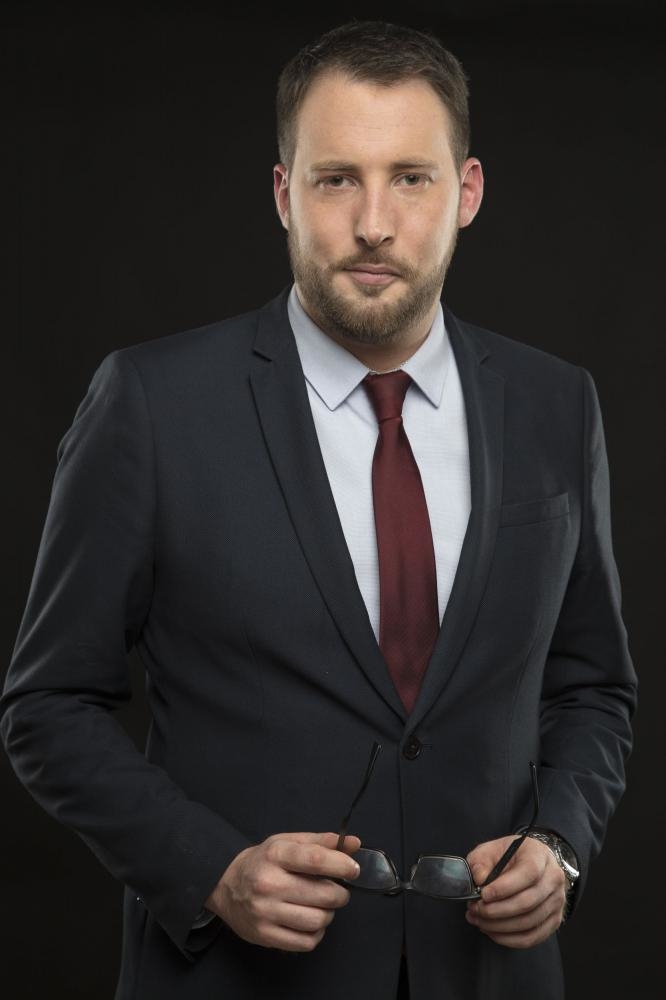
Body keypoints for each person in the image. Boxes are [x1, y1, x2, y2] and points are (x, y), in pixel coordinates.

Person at [0, 20, 636, 1000]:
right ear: (283, 193)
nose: (374, 223)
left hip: (493, 977)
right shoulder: (152, 404)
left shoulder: (558, 403)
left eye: (411, 178)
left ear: (467, 192)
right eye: (337, 178)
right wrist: (210, 869)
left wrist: (562, 843)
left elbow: (593, 688)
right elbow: (46, 706)